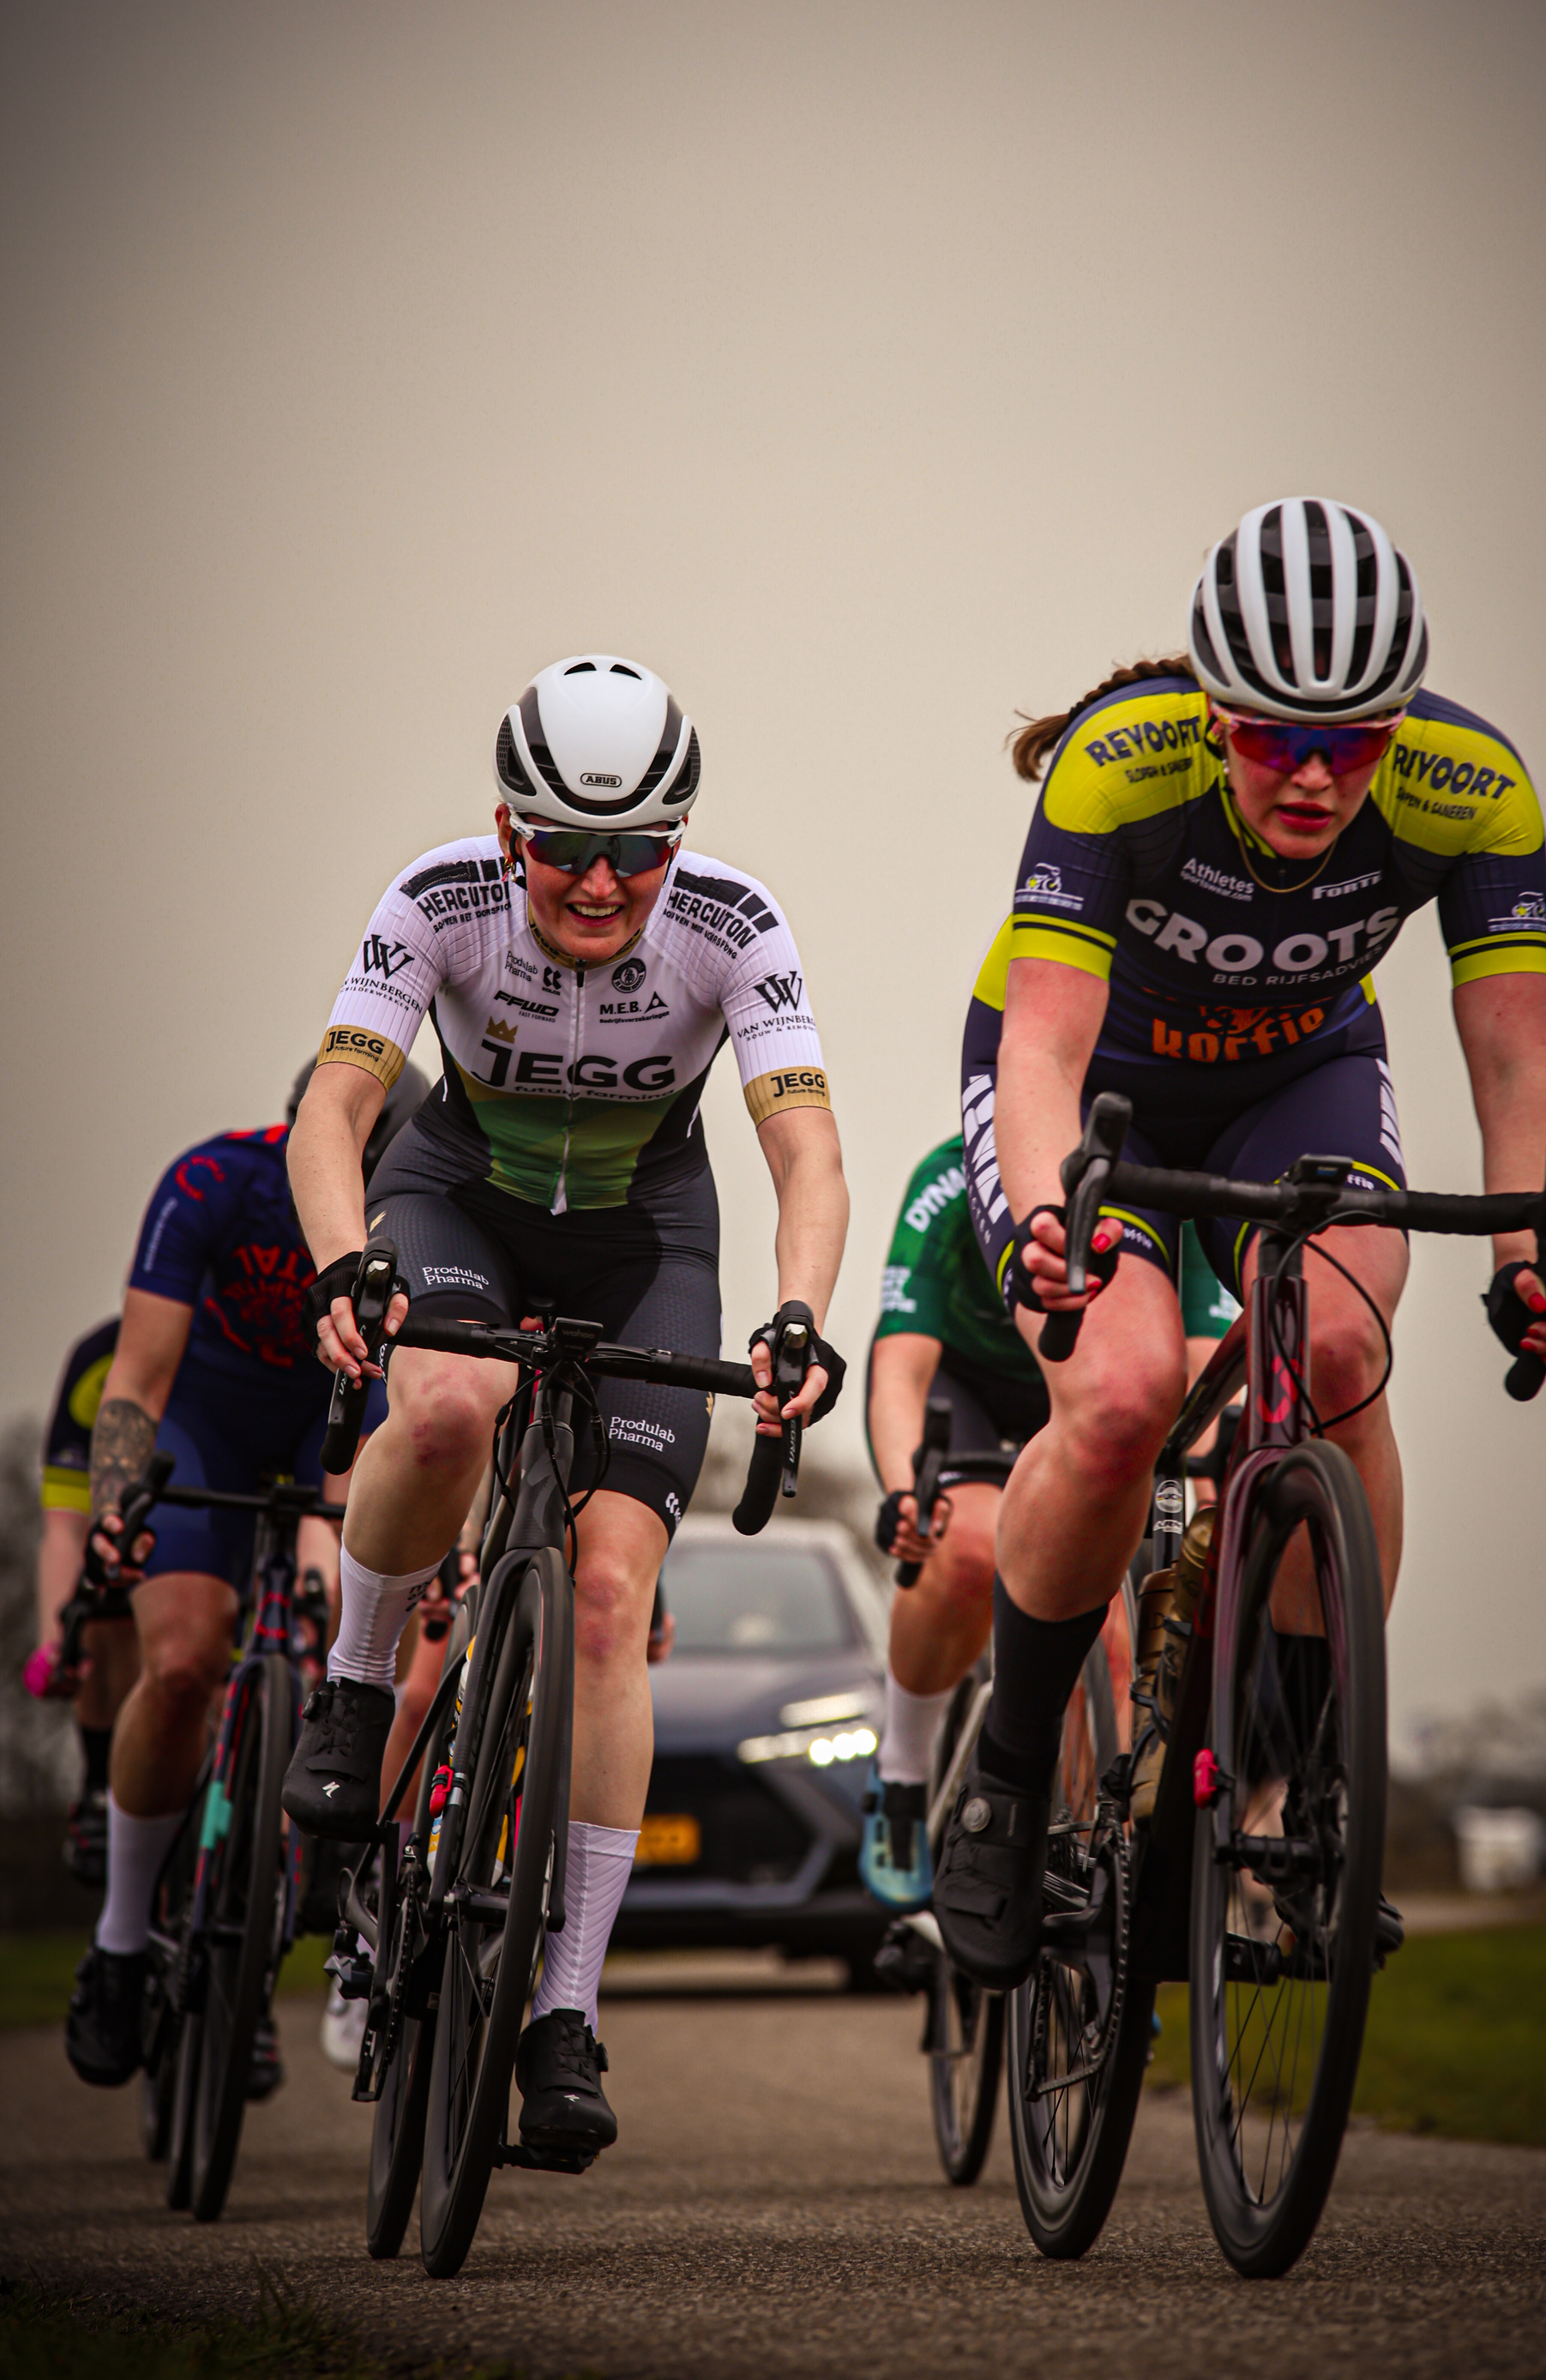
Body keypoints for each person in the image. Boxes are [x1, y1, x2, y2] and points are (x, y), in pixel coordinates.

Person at [935, 496, 1546, 1990]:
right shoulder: (1122, 767)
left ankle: (1299, 1792)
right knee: (1110, 1401)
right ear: (1215, 711)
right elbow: (1040, 1047)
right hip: (1096, 1081)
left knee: (1348, 1344)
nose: (1313, 776)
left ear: (1400, 720)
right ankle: (1004, 1776)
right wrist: (1054, 1213)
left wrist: (1532, 1262)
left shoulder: (1473, 788)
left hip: (1297, 1080)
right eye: (1274, 739)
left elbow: (1512, 1063)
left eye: (1353, 740)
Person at [281, 654, 849, 2160]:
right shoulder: (436, 896)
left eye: (639, 853)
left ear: (680, 840)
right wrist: (346, 1266)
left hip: (645, 1234)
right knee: (455, 1401)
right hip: (459, 1199)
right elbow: (337, 1108)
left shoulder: (735, 923)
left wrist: (801, 1310)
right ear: (506, 828)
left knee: (608, 1606)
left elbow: (805, 1153)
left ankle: (566, 2009)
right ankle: (356, 1676)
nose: (602, 886)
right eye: (566, 850)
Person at [62, 1063, 428, 2090]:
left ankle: (255, 1950)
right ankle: (122, 1941)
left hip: (331, 1427)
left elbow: (372, 1449)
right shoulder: (214, 1184)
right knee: (181, 1663)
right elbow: (137, 1374)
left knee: (322, 1638)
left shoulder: (422, 1217)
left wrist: (339, 1573)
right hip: (207, 1424)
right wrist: (114, 1510)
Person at [859, 1136, 1238, 1912]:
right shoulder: (948, 1178)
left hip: (1088, 1390)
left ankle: (1112, 1892)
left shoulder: (1169, 1182)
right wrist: (907, 1491)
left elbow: (1204, 1385)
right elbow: (901, 1366)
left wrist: (1205, 1490)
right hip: (969, 1390)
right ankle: (902, 1774)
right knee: (963, 1552)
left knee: (1111, 1634)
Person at [27, 1320, 138, 1884]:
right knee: (101, 1582)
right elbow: (66, 1529)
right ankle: (99, 1783)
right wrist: (57, 1642)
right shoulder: (98, 1359)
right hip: (134, 1546)